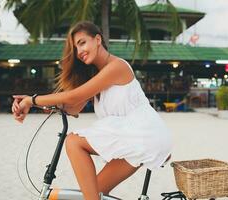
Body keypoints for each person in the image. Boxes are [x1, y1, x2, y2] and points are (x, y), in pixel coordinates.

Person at [12, 21, 173, 200]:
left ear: (97, 39)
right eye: (76, 48)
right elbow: (73, 107)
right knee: (94, 192)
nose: (79, 51)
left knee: (73, 142)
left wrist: (32, 100)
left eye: (82, 43)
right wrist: (36, 105)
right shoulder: (97, 75)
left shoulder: (116, 67)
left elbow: (72, 97)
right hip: (136, 137)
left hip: (143, 133)